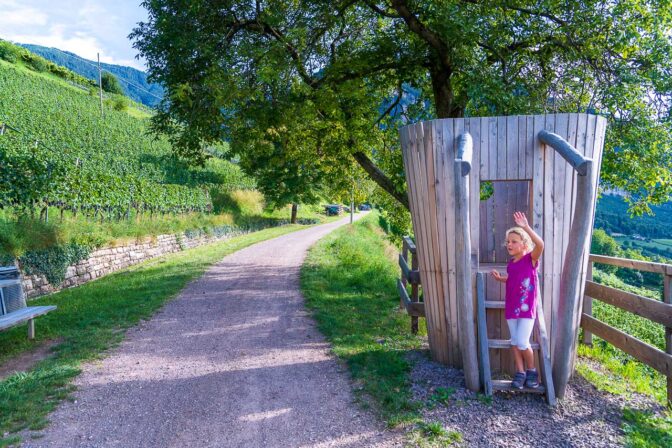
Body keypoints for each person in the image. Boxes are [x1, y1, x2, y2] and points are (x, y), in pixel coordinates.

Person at [491, 211, 544, 390]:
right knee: (514, 341)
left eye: (514, 241)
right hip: (511, 307)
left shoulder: (531, 259)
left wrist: (526, 227)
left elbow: (541, 244)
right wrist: (501, 279)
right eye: (508, 242)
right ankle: (520, 373)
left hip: (526, 309)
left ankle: (532, 371)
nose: (509, 244)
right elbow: (513, 279)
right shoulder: (511, 264)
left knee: (522, 341)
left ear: (524, 244)